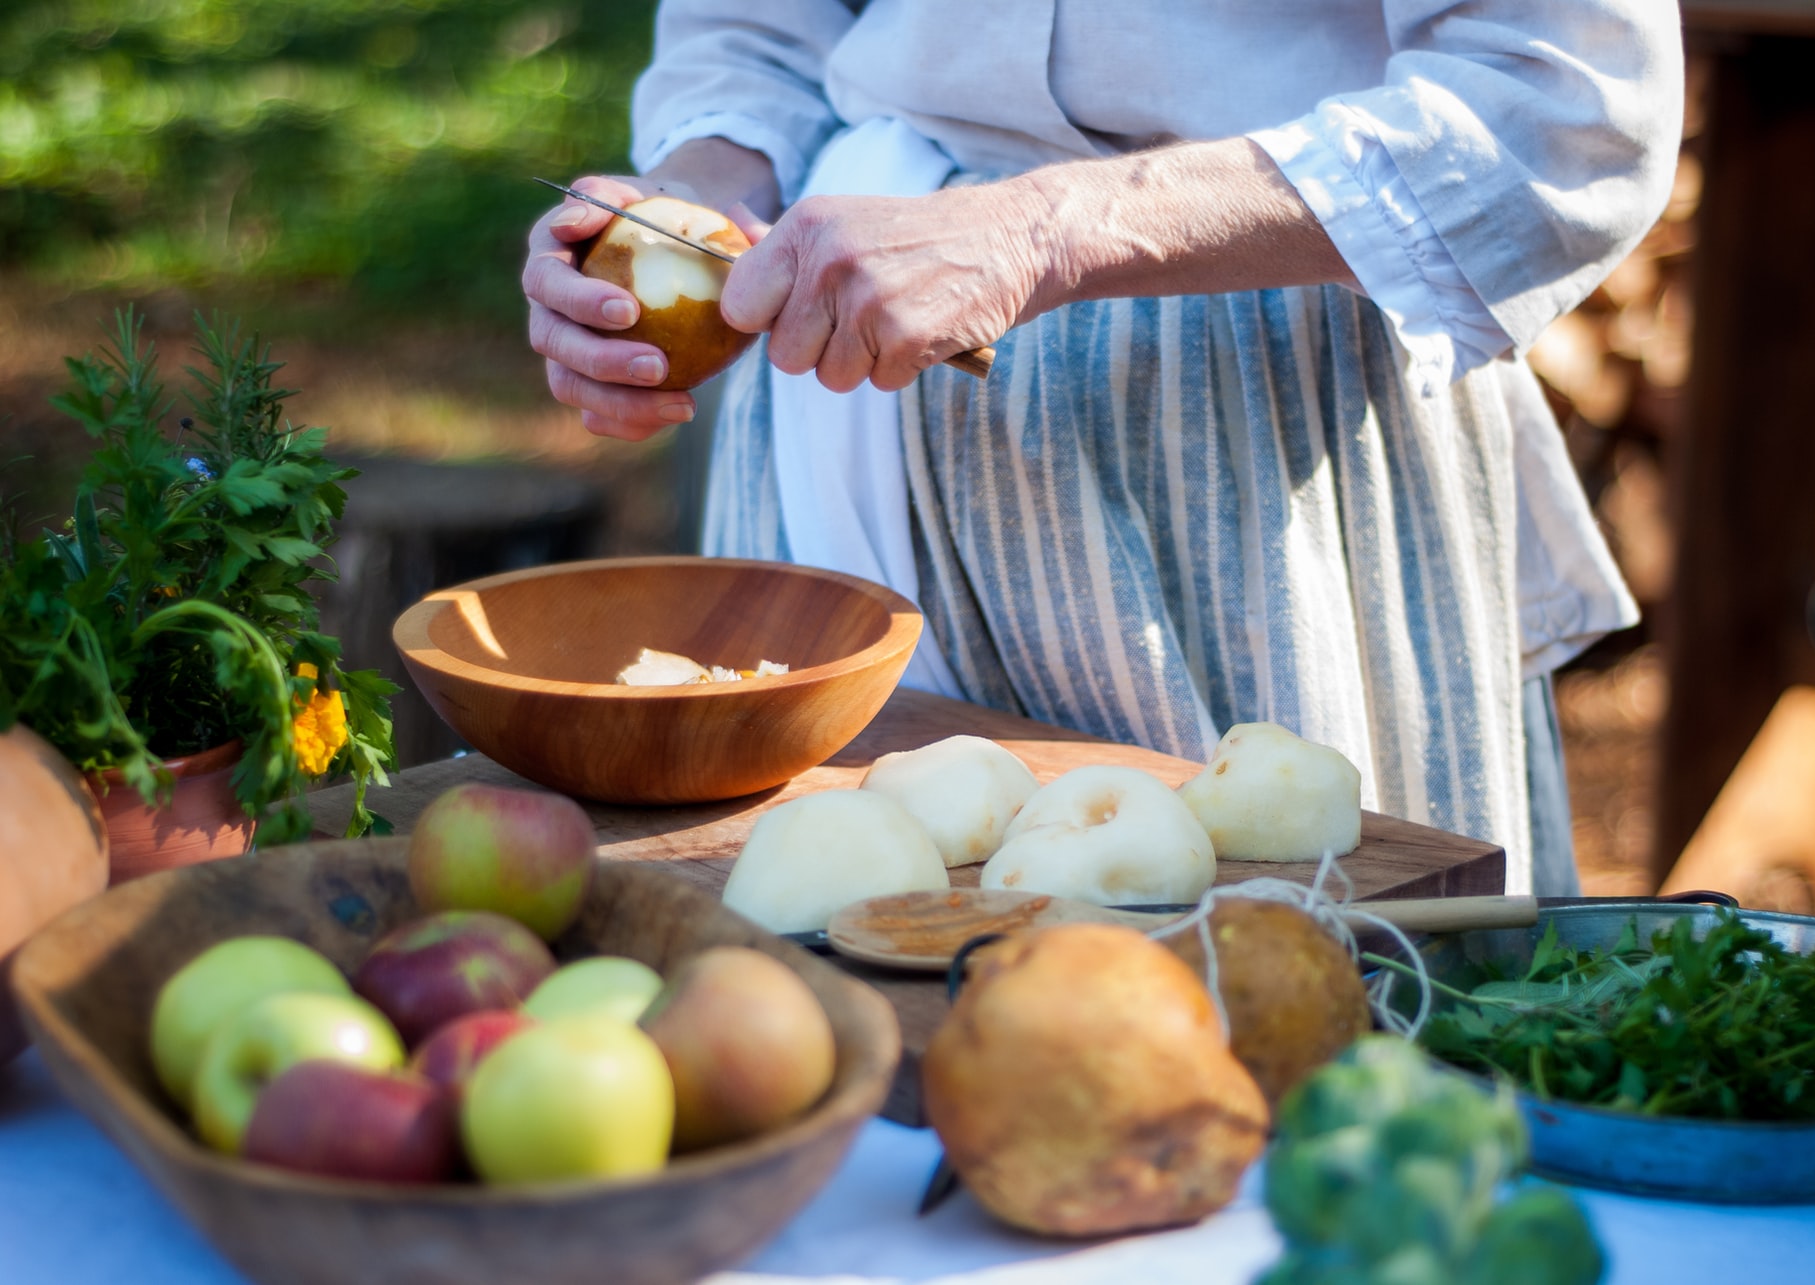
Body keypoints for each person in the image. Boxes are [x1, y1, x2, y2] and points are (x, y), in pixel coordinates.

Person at [521, 1, 1684, 895]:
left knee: (1293, 985)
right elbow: (754, 29)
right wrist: (683, 208)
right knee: (834, 989)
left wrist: (1045, 230)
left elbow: (1563, 111)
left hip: (1254, 425)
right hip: (839, 399)